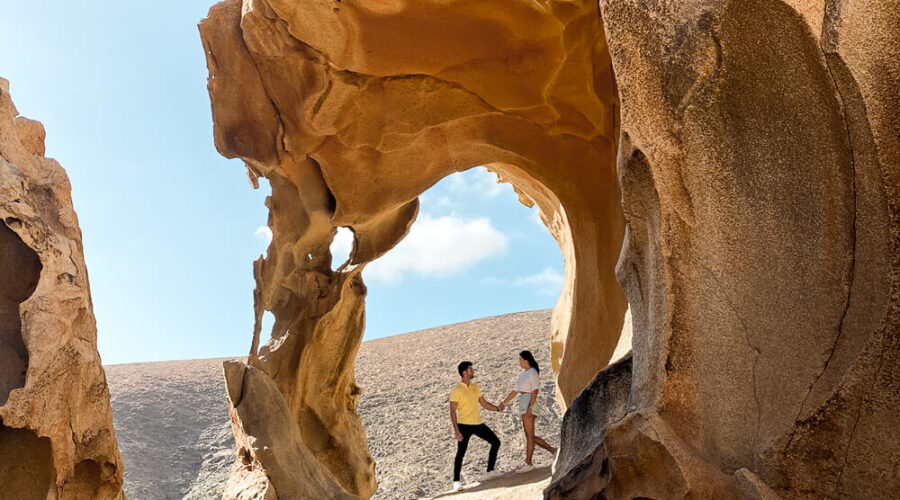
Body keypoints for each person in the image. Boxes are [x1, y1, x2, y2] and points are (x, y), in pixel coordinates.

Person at [449, 361, 504, 491]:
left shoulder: (475, 387)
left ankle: (490, 471)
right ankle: (456, 481)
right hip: (464, 425)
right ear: (464, 372)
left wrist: (497, 408)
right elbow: (452, 411)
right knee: (461, 453)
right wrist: (456, 431)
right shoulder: (457, 390)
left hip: (478, 423)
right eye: (470, 370)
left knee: (496, 442)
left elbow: (484, 404)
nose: (473, 371)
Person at [499, 350, 557, 473]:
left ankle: (529, 463)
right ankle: (553, 451)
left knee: (529, 436)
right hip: (524, 402)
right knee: (529, 436)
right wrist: (504, 403)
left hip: (529, 402)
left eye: (520, 359)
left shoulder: (532, 372)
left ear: (526, 360)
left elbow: (535, 390)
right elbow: (514, 391)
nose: (519, 362)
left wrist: (530, 407)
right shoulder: (523, 374)